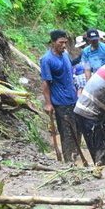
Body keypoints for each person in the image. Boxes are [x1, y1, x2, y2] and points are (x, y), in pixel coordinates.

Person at [39, 29, 82, 163]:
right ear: (53, 42)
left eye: (65, 42)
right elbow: (45, 83)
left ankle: (76, 155)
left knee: (78, 128)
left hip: (73, 98)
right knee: (67, 132)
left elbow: (70, 72)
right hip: (60, 102)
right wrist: (48, 103)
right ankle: (69, 160)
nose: (64, 45)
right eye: (61, 43)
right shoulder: (47, 60)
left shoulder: (65, 55)